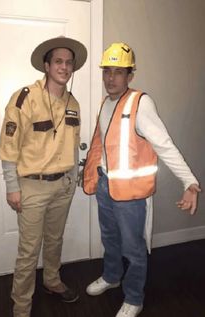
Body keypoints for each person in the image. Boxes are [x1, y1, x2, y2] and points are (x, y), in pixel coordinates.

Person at [83, 42, 201, 317]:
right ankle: (112, 276)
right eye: (107, 72)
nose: (110, 78)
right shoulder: (106, 102)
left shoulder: (140, 103)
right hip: (105, 186)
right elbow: (101, 144)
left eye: (118, 72)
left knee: (134, 249)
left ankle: (134, 298)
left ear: (130, 75)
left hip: (131, 196)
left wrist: (189, 182)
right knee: (109, 239)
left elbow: (165, 145)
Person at [0, 36, 87, 317]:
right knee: (28, 251)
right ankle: (21, 307)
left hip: (63, 185)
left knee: (55, 239)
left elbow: (73, 145)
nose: (64, 67)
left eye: (69, 62)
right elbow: (8, 147)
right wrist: (12, 186)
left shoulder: (73, 102)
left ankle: (52, 280)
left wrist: (73, 179)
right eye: (58, 61)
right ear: (47, 66)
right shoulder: (24, 98)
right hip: (32, 187)